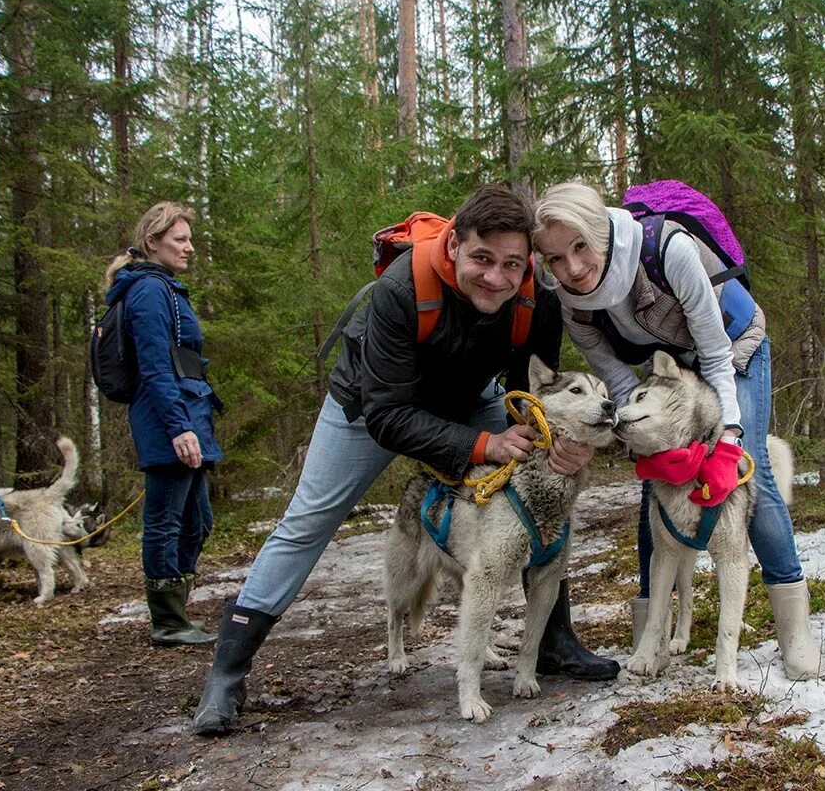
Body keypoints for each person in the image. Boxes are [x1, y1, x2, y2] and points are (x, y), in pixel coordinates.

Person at [193, 185, 619, 737]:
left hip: (468, 398)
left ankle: (554, 642)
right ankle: (228, 672)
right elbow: (389, 417)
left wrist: (551, 438)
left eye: (513, 264)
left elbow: (528, 391)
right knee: (308, 521)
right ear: (454, 244)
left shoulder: (538, 297)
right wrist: (484, 447)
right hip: (371, 404)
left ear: (530, 262)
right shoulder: (400, 289)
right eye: (482, 259)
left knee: (535, 504)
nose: (496, 277)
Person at [533, 181, 825, 681]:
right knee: (658, 482)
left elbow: (714, 353)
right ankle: (654, 636)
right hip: (669, 370)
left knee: (749, 471)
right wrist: (645, 440)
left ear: (601, 230)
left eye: (580, 246)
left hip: (734, 349)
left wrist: (727, 437)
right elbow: (623, 380)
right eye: (556, 259)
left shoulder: (668, 250)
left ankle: (795, 630)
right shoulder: (574, 305)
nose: (573, 268)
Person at [104, 202, 223, 645]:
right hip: (167, 417)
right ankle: (168, 620)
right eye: (180, 239)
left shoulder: (164, 288)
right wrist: (178, 427)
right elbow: (155, 366)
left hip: (186, 410)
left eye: (189, 239)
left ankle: (176, 607)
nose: (189, 248)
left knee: (197, 520)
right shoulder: (149, 292)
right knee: (166, 519)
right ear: (153, 242)